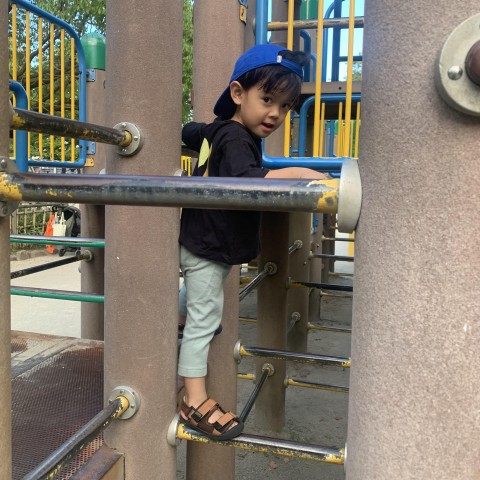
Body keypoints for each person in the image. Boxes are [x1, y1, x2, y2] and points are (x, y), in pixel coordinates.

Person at [177, 43, 327, 441]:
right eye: (267, 100)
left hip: (203, 238)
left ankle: (176, 314)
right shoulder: (237, 138)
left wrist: (186, 132)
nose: (275, 113)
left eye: (285, 106)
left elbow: (191, 131)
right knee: (205, 322)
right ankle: (193, 400)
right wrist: (301, 173)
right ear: (238, 93)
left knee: (199, 300)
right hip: (208, 244)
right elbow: (248, 179)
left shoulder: (217, 130)